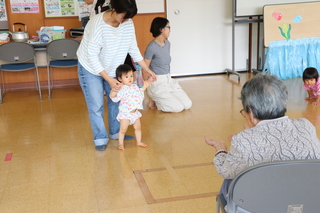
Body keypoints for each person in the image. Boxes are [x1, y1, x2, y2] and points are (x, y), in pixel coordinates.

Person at [204, 73, 320, 202]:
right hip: (307, 204)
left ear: (251, 113)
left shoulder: (243, 141)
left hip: (262, 206)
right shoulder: (306, 127)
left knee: (230, 179)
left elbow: (225, 170)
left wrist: (220, 149)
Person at [77, 0, 156, 151]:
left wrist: (146, 68)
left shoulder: (127, 23)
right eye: (123, 16)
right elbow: (92, 56)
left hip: (113, 67)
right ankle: (100, 137)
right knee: (96, 104)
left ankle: (116, 132)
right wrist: (108, 79)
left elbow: (133, 48)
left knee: (116, 101)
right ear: (114, 10)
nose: (125, 20)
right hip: (90, 67)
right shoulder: (97, 24)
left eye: (129, 17)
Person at [144, 17, 192, 112]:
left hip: (168, 80)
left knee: (187, 105)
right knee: (178, 108)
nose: (170, 30)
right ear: (161, 29)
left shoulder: (167, 43)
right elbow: (144, 69)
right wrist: (148, 91)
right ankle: (156, 99)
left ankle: (163, 98)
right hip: (157, 82)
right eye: (168, 27)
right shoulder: (152, 47)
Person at [110, 64, 150, 150]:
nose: (130, 78)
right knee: (123, 130)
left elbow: (140, 92)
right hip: (125, 114)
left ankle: (139, 142)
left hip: (135, 113)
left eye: (131, 76)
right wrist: (114, 90)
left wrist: (145, 86)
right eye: (127, 76)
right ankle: (121, 144)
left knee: (138, 128)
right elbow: (114, 98)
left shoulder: (135, 86)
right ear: (120, 78)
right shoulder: (121, 89)